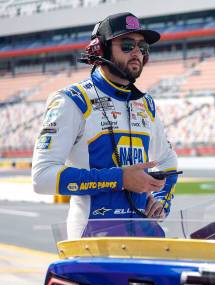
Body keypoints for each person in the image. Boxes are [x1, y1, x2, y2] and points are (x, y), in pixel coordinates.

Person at [32, 12, 178, 239]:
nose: (137, 52)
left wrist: (161, 201)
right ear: (100, 50)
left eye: (143, 47)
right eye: (128, 45)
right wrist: (120, 178)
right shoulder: (72, 100)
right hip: (92, 241)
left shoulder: (146, 103)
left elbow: (168, 161)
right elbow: (42, 178)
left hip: (145, 237)